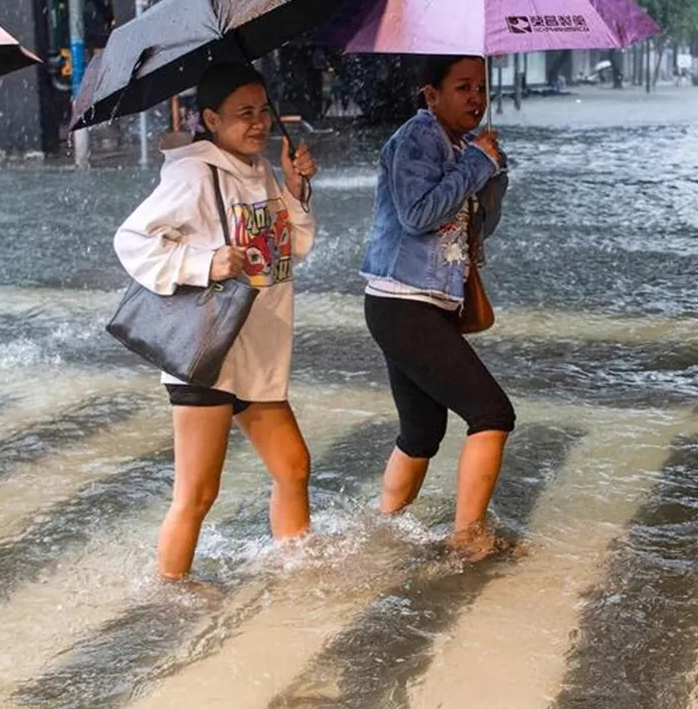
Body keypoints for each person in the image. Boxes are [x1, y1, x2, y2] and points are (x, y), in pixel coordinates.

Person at [114, 63, 319, 580]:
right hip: (208, 351)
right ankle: (169, 594)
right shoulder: (193, 172)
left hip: (255, 350)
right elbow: (132, 240)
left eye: (263, 111)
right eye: (243, 114)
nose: (258, 124)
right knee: (198, 493)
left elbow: (289, 250)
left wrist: (294, 189)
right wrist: (205, 263)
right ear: (210, 118)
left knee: (293, 465)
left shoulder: (261, 171)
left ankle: (297, 574)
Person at [360, 55, 513, 560]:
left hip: (427, 303)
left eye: (482, 88)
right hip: (403, 303)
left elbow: (477, 231)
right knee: (491, 413)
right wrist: (476, 166)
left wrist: (493, 174)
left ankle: (382, 531)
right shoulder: (417, 137)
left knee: (423, 432)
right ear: (432, 95)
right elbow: (417, 214)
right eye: (464, 87)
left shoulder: (463, 144)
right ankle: (468, 538)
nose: (476, 98)